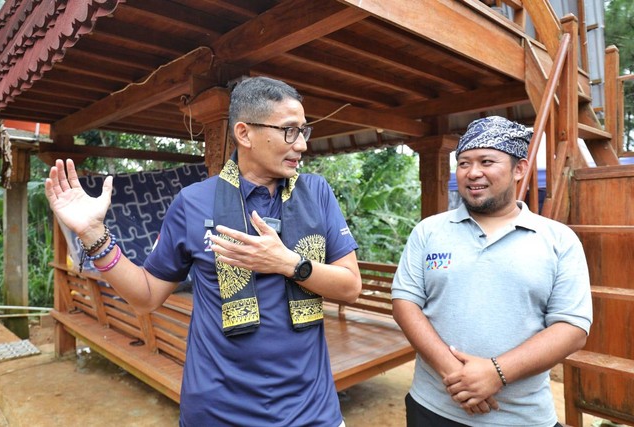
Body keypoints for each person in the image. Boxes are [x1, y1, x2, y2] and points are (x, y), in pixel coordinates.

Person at [44, 76, 362, 426]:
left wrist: (290, 264)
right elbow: (146, 297)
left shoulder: (316, 193)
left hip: (312, 412)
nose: (301, 144)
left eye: (304, 131)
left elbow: (350, 287)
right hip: (217, 412)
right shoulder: (194, 202)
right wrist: (94, 235)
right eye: (289, 131)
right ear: (244, 134)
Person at [391, 116, 592, 427]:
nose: (473, 173)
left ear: (519, 169)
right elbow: (406, 303)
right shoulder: (428, 231)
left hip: (521, 417)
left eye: (487, 161)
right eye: (464, 163)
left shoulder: (558, 240)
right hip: (432, 408)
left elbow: (572, 326)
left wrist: (497, 372)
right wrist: (455, 375)